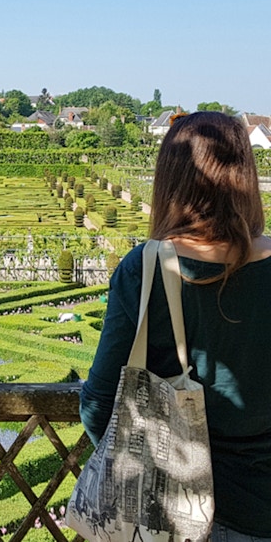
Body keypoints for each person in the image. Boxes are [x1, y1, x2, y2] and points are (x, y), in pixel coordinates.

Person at [79, 111, 271, 541]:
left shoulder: (146, 267)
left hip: (173, 518)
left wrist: (139, 470)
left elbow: (97, 403)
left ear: (170, 180)